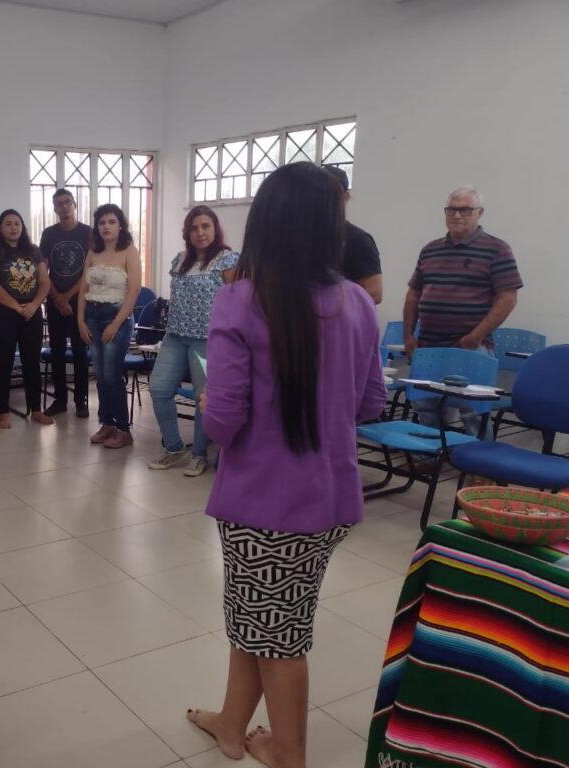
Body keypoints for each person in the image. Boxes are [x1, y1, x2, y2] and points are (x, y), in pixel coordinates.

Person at [187, 163, 385, 768]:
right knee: (258, 618)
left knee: (277, 636)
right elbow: (372, 402)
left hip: (262, 504)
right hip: (328, 499)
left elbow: (221, 421)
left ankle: (288, 751)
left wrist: (204, 402)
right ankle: (230, 722)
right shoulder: (356, 300)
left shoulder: (242, 298)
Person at [402, 186, 522, 435]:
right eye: (452, 209)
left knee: (473, 411)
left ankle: (483, 470)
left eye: (465, 210)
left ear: (480, 213)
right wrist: (408, 335)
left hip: (472, 347)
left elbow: (508, 298)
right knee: (424, 405)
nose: (457, 216)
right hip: (429, 345)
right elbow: (414, 294)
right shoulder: (430, 249)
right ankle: (429, 458)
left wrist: (475, 337)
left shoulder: (497, 249)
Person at [148, 205, 238, 477]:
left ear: (215, 229)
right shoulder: (180, 259)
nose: (200, 233)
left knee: (204, 398)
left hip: (207, 341)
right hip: (175, 336)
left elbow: (238, 302)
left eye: (206, 226)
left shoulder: (228, 259)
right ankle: (174, 447)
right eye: (194, 228)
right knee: (159, 389)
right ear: (187, 232)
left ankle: (198, 454)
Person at [76, 203, 141, 449]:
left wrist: (116, 323)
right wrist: (80, 320)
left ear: (120, 224)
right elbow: (84, 288)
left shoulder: (129, 251)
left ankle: (123, 429)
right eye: (102, 222)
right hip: (92, 315)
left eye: (111, 222)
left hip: (118, 317)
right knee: (101, 376)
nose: (106, 226)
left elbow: (134, 290)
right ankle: (107, 424)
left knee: (112, 375)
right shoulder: (93, 252)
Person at [0, 209, 53, 429]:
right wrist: (15, 306)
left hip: (31, 312)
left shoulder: (34, 251)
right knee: (5, 362)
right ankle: (3, 412)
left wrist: (34, 305)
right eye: (8, 224)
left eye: (17, 224)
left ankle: (36, 410)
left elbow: (44, 282)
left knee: (32, 362)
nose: (13, 227)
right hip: (5, 312)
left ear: (23, 227)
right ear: (0, 228)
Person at [39, 189, 92, 418]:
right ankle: (60, 400)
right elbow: (43, 269)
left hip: (81, 302)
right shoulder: (49, 234)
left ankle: (81, 401)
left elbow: (89, 271)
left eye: (67, 202)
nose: (63, 207)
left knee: (81, 352)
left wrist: (68, 297)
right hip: (54, 302)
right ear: (54, 208)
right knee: (57, 351)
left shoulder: (88, 233)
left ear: (74, 204)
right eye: (59, 204)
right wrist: (57, 298)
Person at [321, 165, 382, 304]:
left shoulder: (358, 240)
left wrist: (327, 306)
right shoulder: (304, 237)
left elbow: (375, 293)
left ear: (346, 196)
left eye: (329, 194)